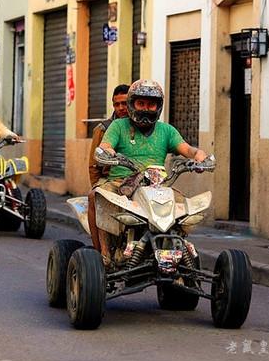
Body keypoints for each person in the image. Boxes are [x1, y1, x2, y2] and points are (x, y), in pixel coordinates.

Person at [90, 79, 208, 268]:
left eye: (151, 104)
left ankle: (178, 254)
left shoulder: (166, 130)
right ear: (132, 104)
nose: (146, 109)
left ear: (158, 106)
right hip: (120, 182)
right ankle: (104, 255)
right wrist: (107, 151)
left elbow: (187, 149)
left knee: (185, 210)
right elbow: (105, 146)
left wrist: (199, 155)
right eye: (141, 103)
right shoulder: (118, 126)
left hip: (157, 185)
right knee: (98, 197)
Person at [88, 84, 130, 185]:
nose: (121, 108)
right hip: (109, 181)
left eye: (125, 103)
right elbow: (94, 165)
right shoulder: (103, 128)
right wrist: (95, 187)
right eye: (117, 104)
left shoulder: (140, 127)